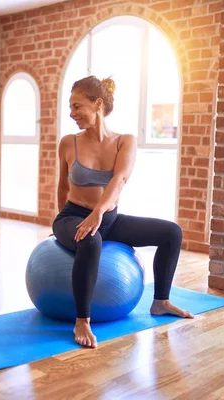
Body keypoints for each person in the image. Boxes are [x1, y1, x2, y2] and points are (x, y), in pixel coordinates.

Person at [53, 75, 194, 349]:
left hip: (108, 219)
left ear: (98, 104)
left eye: (77, 106)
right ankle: (82, 320)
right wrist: (64, 229)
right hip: (72, 216)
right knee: (89, 239)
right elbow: (61, 186)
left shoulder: (124, 141)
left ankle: (161, 301)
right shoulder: (68, 143)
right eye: (70, 107)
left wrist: (99, 213)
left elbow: (120, 179)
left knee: (171, 233)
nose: (72, 114)